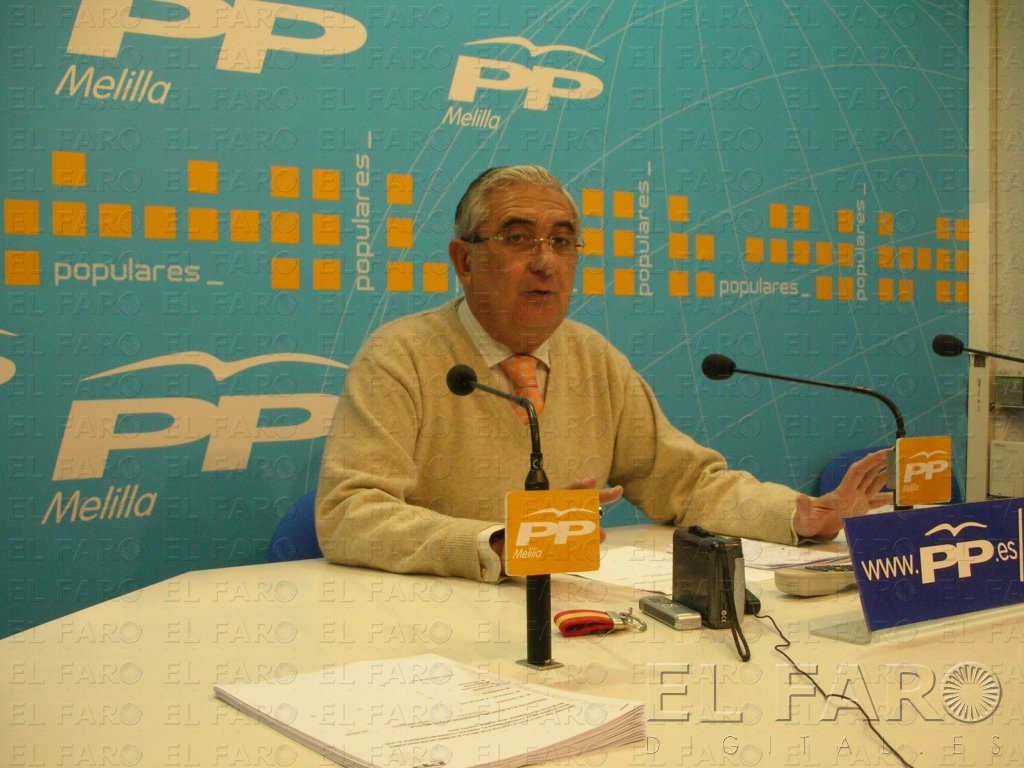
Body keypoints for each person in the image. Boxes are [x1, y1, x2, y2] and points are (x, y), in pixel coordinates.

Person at [315, 165, 890, 582]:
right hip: (439, 623)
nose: (545, 261)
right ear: (465, 260)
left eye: (562, 242)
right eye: (517, 238)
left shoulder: (592, 357)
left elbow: (687, 483)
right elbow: (349, 514)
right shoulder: (400, 357)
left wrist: (796, 514)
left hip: (569, 609)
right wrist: (497, 544)